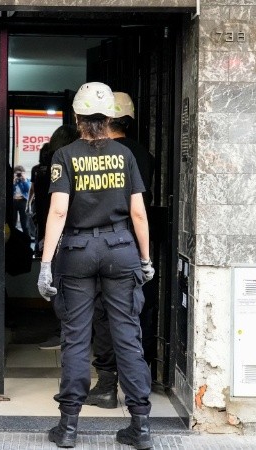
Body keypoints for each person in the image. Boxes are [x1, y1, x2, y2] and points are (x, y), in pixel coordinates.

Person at [37, 82, 155, 449]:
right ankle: (140, 427)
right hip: (121, 249)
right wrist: (145, 259)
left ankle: (68, 428)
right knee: (127, 336)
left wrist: (45, 263)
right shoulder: (125, 155)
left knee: (75, 337)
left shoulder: (64, 155)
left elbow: (58, 211)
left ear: (76, 117)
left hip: (77, 250)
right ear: (109, 117)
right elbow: (138, 212)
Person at [86, 92, 157, 409]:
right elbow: (140, 210)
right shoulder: (144, 155)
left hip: (101, 243)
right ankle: (139, 387)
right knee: (134, 314)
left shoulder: (98, 153)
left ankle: (106, 386)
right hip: (133, 244)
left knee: (103, 315)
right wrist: (146, 256)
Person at [31, 125, 81, 351]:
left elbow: (48, 207)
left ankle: (65, 332)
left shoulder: (49, 167)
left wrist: (44, 237)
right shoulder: (71, 162)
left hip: (54, 231)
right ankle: (71, 333)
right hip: (77, 234)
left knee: (58, 283)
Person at [12, 165, 31, 234]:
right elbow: (9, 190)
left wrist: (24, 180)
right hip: (14, 201)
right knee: (13, 220)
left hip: (23, 201)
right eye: (17, 174)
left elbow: (28, 190)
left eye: (20, 173)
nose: (18, 175)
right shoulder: (13, 181)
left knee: (24, 221)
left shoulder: (26, 180)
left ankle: (26, 236)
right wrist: (13, 182)